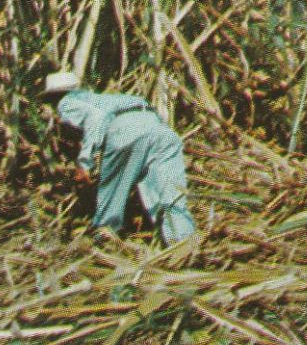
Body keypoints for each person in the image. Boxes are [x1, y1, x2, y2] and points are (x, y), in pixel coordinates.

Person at [41, 71, 195, 245]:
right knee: (171, 192)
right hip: (159, 129)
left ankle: (105, 236)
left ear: (55, 96)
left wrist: (84, 163)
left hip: (126, 131)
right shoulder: (103, 98)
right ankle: (182, 242)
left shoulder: (67, 102)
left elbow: (96, 118)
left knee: (112, 187)